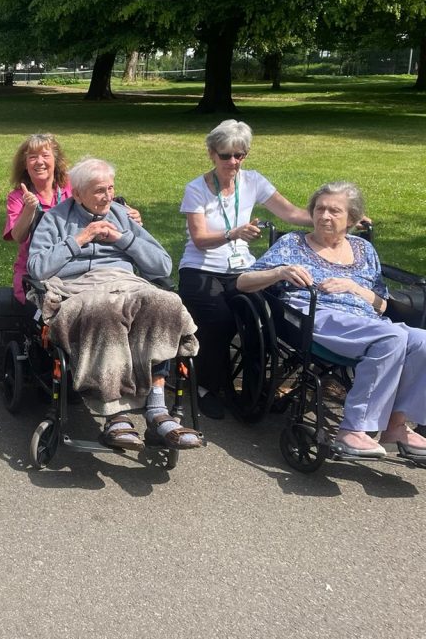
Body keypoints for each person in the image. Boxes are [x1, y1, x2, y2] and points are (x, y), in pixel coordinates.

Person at [237, 182, 426, 458]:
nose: (324, 216)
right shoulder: (292, 244)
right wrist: (280, 272)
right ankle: (352, 431)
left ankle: (396, 425)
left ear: (351, 219)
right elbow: (243, 282)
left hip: (365, 319)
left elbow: (383, 305)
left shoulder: (364, 249)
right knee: (391, 338)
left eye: (334, 211)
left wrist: (355, 288)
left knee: (422, 341)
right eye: (319, 209)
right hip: (316, 316)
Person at [28, 157, 201, 451]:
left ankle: (157, 410)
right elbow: (37, 268)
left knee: (165, 303)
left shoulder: (121, 215)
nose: (108, 196)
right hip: (78, 288)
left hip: (125, 283)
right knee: (104, 312)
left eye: (110, 188)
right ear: (77, 194)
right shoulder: (54, 219)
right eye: (99, 190)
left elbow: (162, 266)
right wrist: (80, 238)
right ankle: (115, 414)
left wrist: (123, 238)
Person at [178, 120, 311, 418]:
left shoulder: (253, 181)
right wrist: (233, 233)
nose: (233, 162)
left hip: (241, 268)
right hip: (201, 269)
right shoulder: (196, 189)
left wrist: (336, 218)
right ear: (212, 153)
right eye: (225, 155)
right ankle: (207, 387)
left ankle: (255, 389)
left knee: (264, 317)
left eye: (240, 155)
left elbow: (291, 213)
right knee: (220, 320)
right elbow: (199, 240)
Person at [4, 133, 141, 305]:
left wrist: (128, 214)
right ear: (25, 164)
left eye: (45, 155)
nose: (39, 162)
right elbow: (18, 236)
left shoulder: (72, 187)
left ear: (56, 160)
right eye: (32, 157)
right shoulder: (18, 197)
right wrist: (29, 209)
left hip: (80, 263)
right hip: (38, 265)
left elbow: (101, 200)